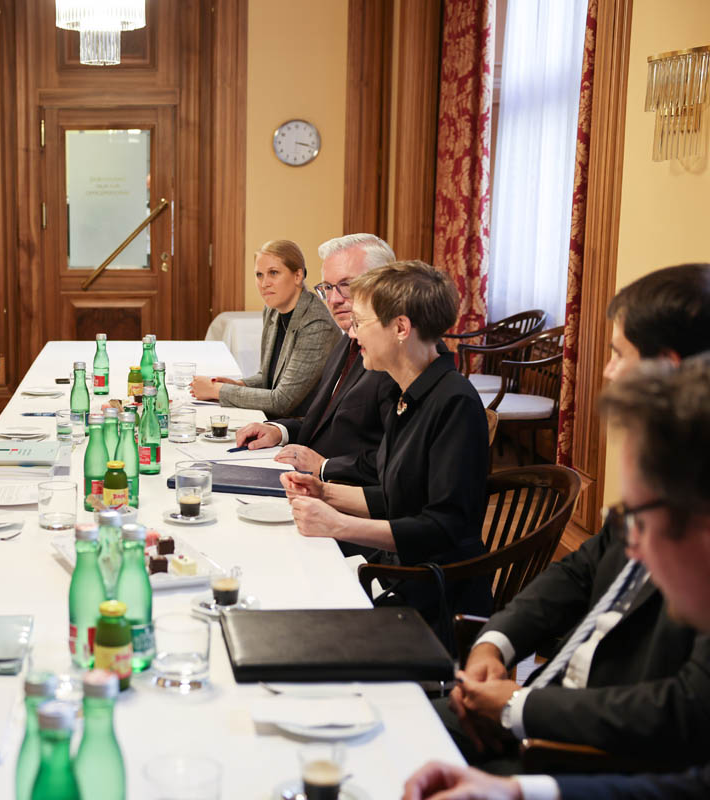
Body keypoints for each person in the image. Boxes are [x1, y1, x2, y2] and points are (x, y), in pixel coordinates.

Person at [437, 264, 710, 771]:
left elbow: (684, 710)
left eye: (617, 354)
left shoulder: (686, 503)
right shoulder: (658, 468)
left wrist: (518, 709)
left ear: (666, 368)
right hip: (540, 709)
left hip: (591, 758)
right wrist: (495, 645)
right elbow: (578, 570)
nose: (605, 371)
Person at [281, 260, 491, 621]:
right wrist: (323, 492)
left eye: (361, 323)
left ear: (400, 328)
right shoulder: (406, 393)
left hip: (434, 595)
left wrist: (338, 524)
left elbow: (443, 527)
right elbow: (397, 497)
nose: (352, 334)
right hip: (399, 572)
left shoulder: (453, 404)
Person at [234, 233, 398, 484]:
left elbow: (392, 461)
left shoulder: (396, 357)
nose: (333, 299)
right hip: (309, 478)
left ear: (384, 283)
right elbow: (324, 424)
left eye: (347, 285)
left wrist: (324, 467)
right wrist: (280, 431)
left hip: (345, 495)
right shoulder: (347, 340)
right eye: (328, 287)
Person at [191, 239, 340, 417]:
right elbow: (268, 376)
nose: (264, 283)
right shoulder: (272, 310)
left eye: (273, 273)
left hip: (302, 427)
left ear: (298, 276)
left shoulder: (316, 324)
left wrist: (218, 391)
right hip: (277, 420)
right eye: (259, 275)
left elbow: (282, 401)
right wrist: (239, 385)